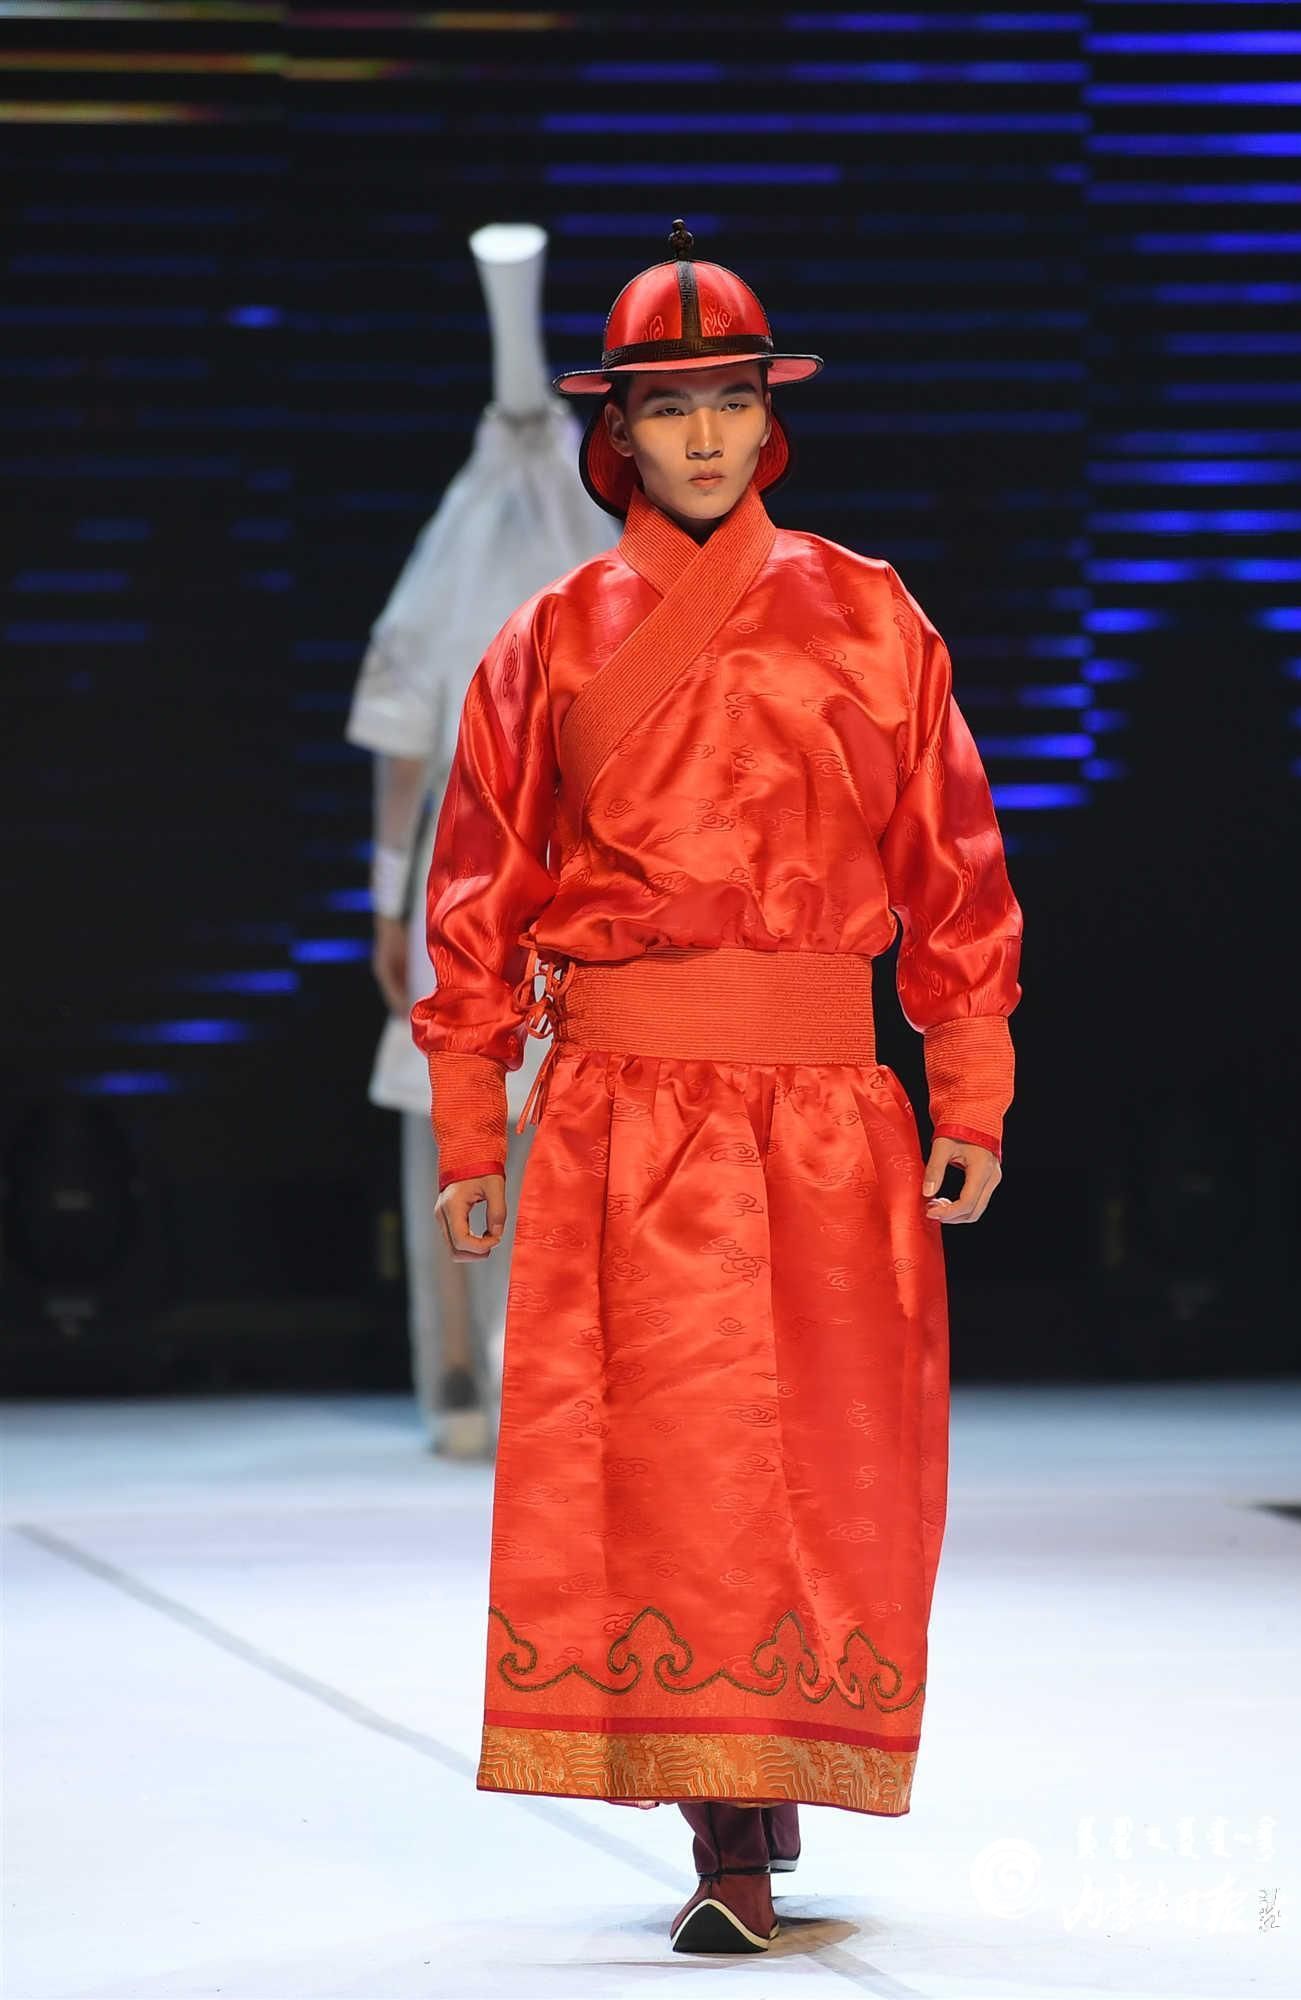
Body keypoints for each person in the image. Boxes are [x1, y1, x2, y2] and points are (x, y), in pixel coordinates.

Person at [411, 220, 1024, 1954]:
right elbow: (476, 896)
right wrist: (470, 1126)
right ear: (616, 430)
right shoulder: (549, 640)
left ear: (770, 418)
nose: (701, 436)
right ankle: (727, 1836)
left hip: (823, 1096)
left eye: (730, 401)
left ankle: (765, 1780)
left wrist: (967, 1089)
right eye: (668, 407)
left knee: (821, 1465)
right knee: (676, 1467)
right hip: (628, 1109)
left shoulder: (870, 614)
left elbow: (955, 868)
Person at [346, 222, 616, 1455]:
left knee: (528, 1115)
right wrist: (388, 899)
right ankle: (480, 1376)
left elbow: (400, 744)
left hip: (539, 878)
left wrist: (384, 895)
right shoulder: (571, 562)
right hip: (511, 876)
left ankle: (507, 1376)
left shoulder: (551, 562)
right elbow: (405, 745)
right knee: (486, 1111)